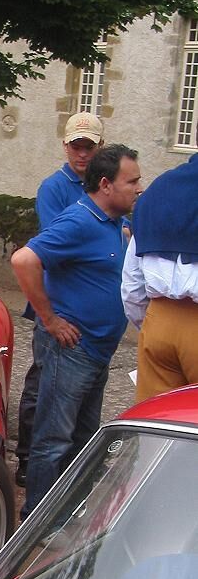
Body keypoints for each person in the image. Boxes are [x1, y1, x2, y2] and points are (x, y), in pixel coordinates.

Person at [11, 144, 142, 517]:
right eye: (131, 181)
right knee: (53, 440)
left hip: (97, 351)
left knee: (83, 439)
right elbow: (24, 260)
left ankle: (67, 513)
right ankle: (37, 520)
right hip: (71, 350)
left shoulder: (115, 223)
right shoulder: (79, 221)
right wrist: (50, 320)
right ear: (105, 184)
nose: (139, 188)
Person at [15, 112, 104, 485]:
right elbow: (56, 245)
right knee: (41, 382)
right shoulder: (54, 187)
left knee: (76, 393)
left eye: (88, 147)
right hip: (55, 301)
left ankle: (69, 469)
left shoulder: (103, 185)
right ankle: (26, 458)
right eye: (76, 146)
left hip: (84, 309)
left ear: (99, 147)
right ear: (66, 146)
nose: (82, 154)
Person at [121, 153, 198, 402]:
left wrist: (149, 324)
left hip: (158, 322)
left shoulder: (156, 190)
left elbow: (132, 282)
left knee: (157, 417)